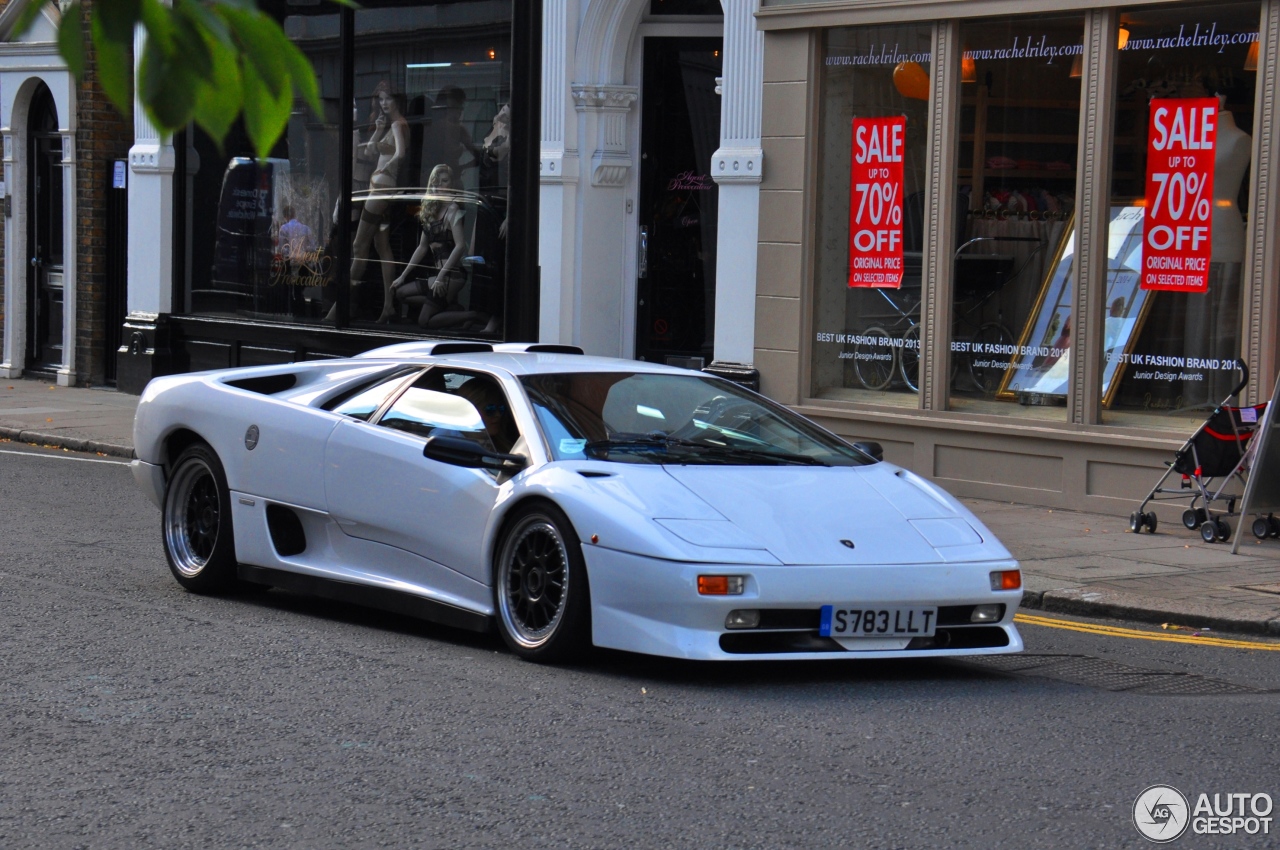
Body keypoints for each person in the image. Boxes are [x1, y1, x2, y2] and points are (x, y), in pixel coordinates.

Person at [346, 81, 409, 323]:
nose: (383, 103)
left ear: (396, 100)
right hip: (381, 187)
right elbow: (371, 152)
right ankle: (388, 306)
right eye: (380, 99)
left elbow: (400, 153)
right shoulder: (390, 124)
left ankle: (340, 305)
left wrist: (387, 171)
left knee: (358, 245)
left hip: (381, 188)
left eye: (387, 99)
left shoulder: (397, 123)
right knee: (382, 247)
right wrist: (376, 131)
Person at [389, 164, 468, 328]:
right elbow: (422, 247)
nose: (440, 186)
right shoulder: (431, 211)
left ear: (452, 183)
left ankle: (474, 316)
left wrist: (440, 278)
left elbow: (460, 246)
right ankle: (449, 307)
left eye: (444, 181)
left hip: (452, 275)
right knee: (401, 293)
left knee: (424, 321)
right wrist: (402, 276)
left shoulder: (453, 209)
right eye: (436, 182)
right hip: (439, 276)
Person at [454, 377, 517, 454]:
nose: (498, 415)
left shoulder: (503, 441)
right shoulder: (447, 439)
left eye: (501, 408)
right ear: (468, 411)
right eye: (490, 409)